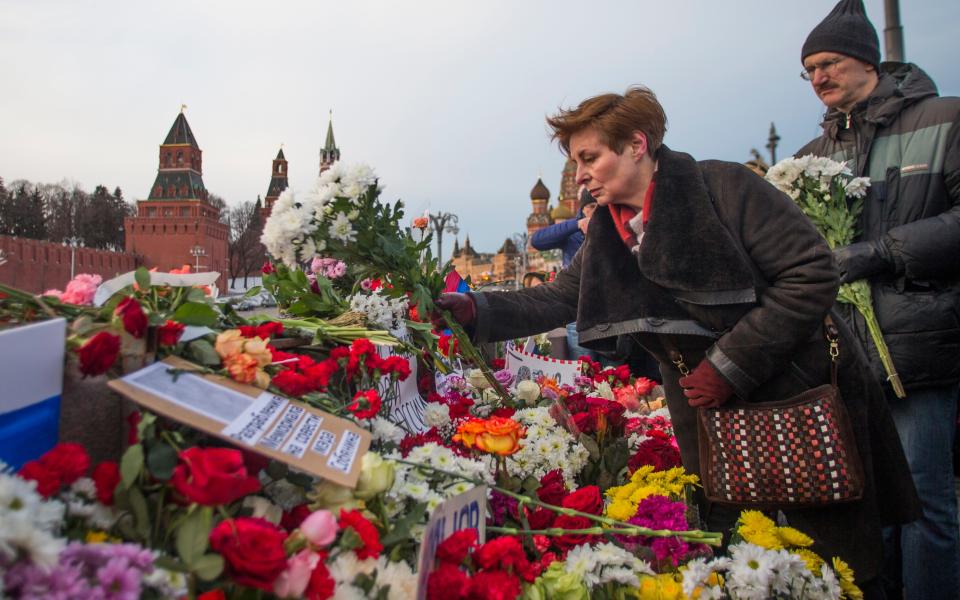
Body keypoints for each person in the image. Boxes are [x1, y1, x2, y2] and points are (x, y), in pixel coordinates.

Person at [435, 85, 919, 593]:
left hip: (798, 398)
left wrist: (728, 366)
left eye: (589, 157)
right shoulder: (607, 230)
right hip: (708, 418)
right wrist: (475, 309)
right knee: (738, 557)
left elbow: (812, 274)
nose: (579, 175)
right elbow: (556, 300)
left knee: (831, 563)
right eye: (575, 162)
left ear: (637, 145)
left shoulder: (726, 188)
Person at [795, 1, 960, 597]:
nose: (818, 77)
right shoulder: (815, 151)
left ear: (868, 59)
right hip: (849, 351)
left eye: (828, 62)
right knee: (871, 498)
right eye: (808, 68)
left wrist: (880, 252)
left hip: (920, 337)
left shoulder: (944, 119)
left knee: (923, 497)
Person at [531, 188, 597, 359]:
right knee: (581, 369)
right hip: (578, 311)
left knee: (613, 373)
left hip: (609, 313)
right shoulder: (573, 233)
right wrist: (577, 224)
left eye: (599, 206)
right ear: (582, 209)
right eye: (591, 206)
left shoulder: (613, 227)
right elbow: (537, 240)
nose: (596, 211)